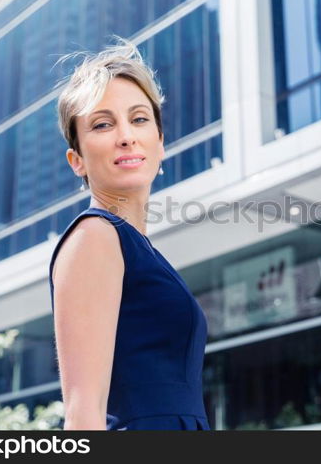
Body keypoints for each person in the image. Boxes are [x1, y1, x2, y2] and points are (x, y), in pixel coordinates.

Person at [48, 37, 210, 430]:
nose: (126, 135)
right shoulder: (95, 237)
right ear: (77, 160)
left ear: (160, 142)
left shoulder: (137, 248)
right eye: (103, 124)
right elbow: (83, 418)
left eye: (139, 119)